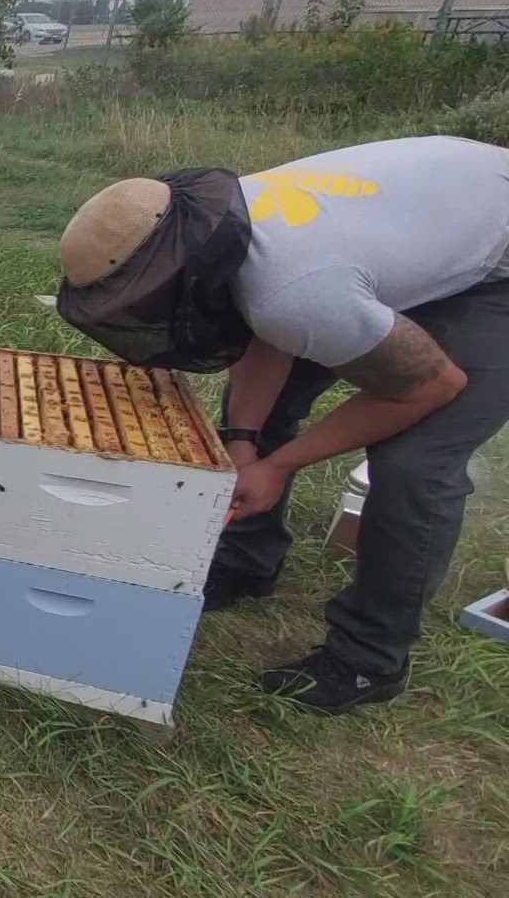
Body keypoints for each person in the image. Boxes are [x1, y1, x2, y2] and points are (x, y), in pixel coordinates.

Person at [56, 135, 509, 714]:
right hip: (426, 225)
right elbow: (269, 328)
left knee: (414, 465)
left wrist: (279, 465)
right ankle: (247, 563)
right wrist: (244, 445)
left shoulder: (297, 288)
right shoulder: (234, 234)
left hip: (495, 265)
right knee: (256, 412)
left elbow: (429, 387)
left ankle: (370, 660)